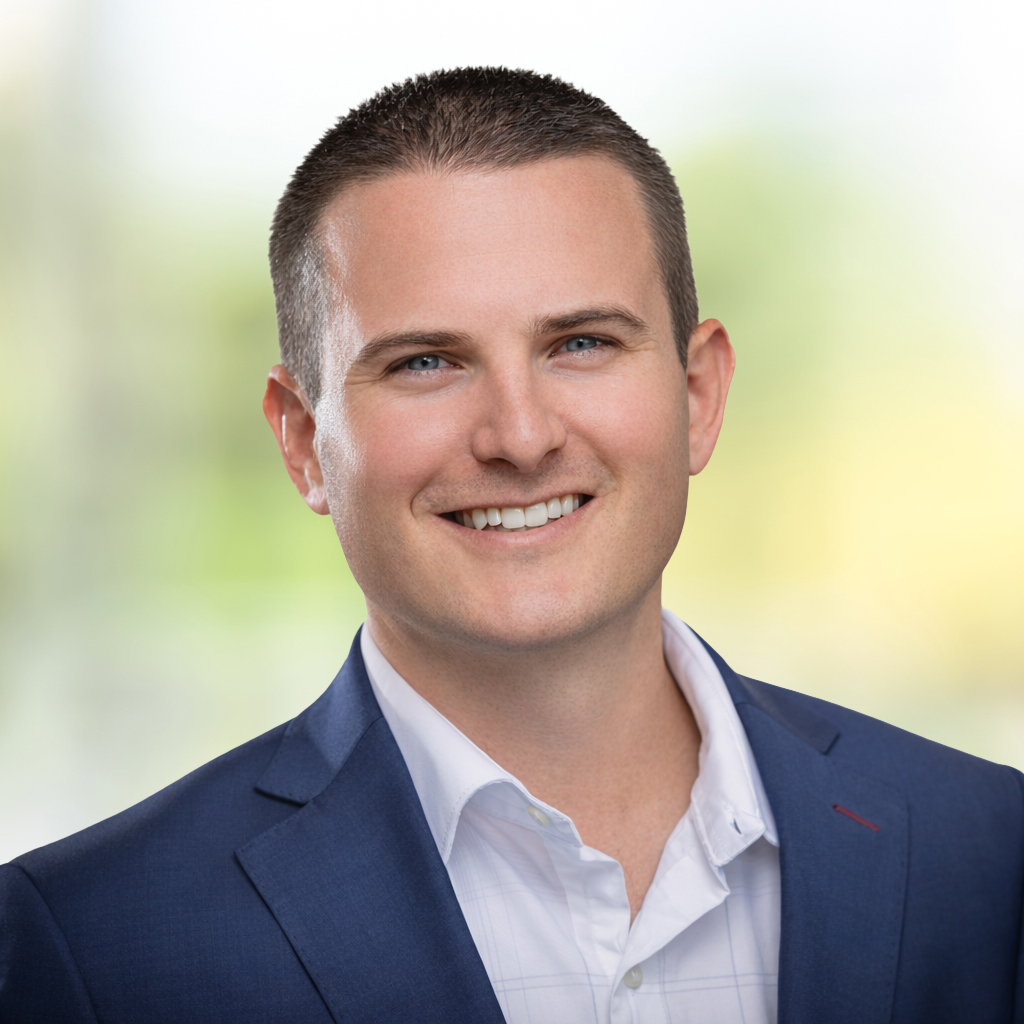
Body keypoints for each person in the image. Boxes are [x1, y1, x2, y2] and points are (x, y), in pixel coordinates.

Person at [1, 67, 1021, 1024]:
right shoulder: (91, 947)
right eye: (427, 361)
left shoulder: (988, 854)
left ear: (698, 395)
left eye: (580, 343)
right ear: (305, 442)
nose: (521, 436)